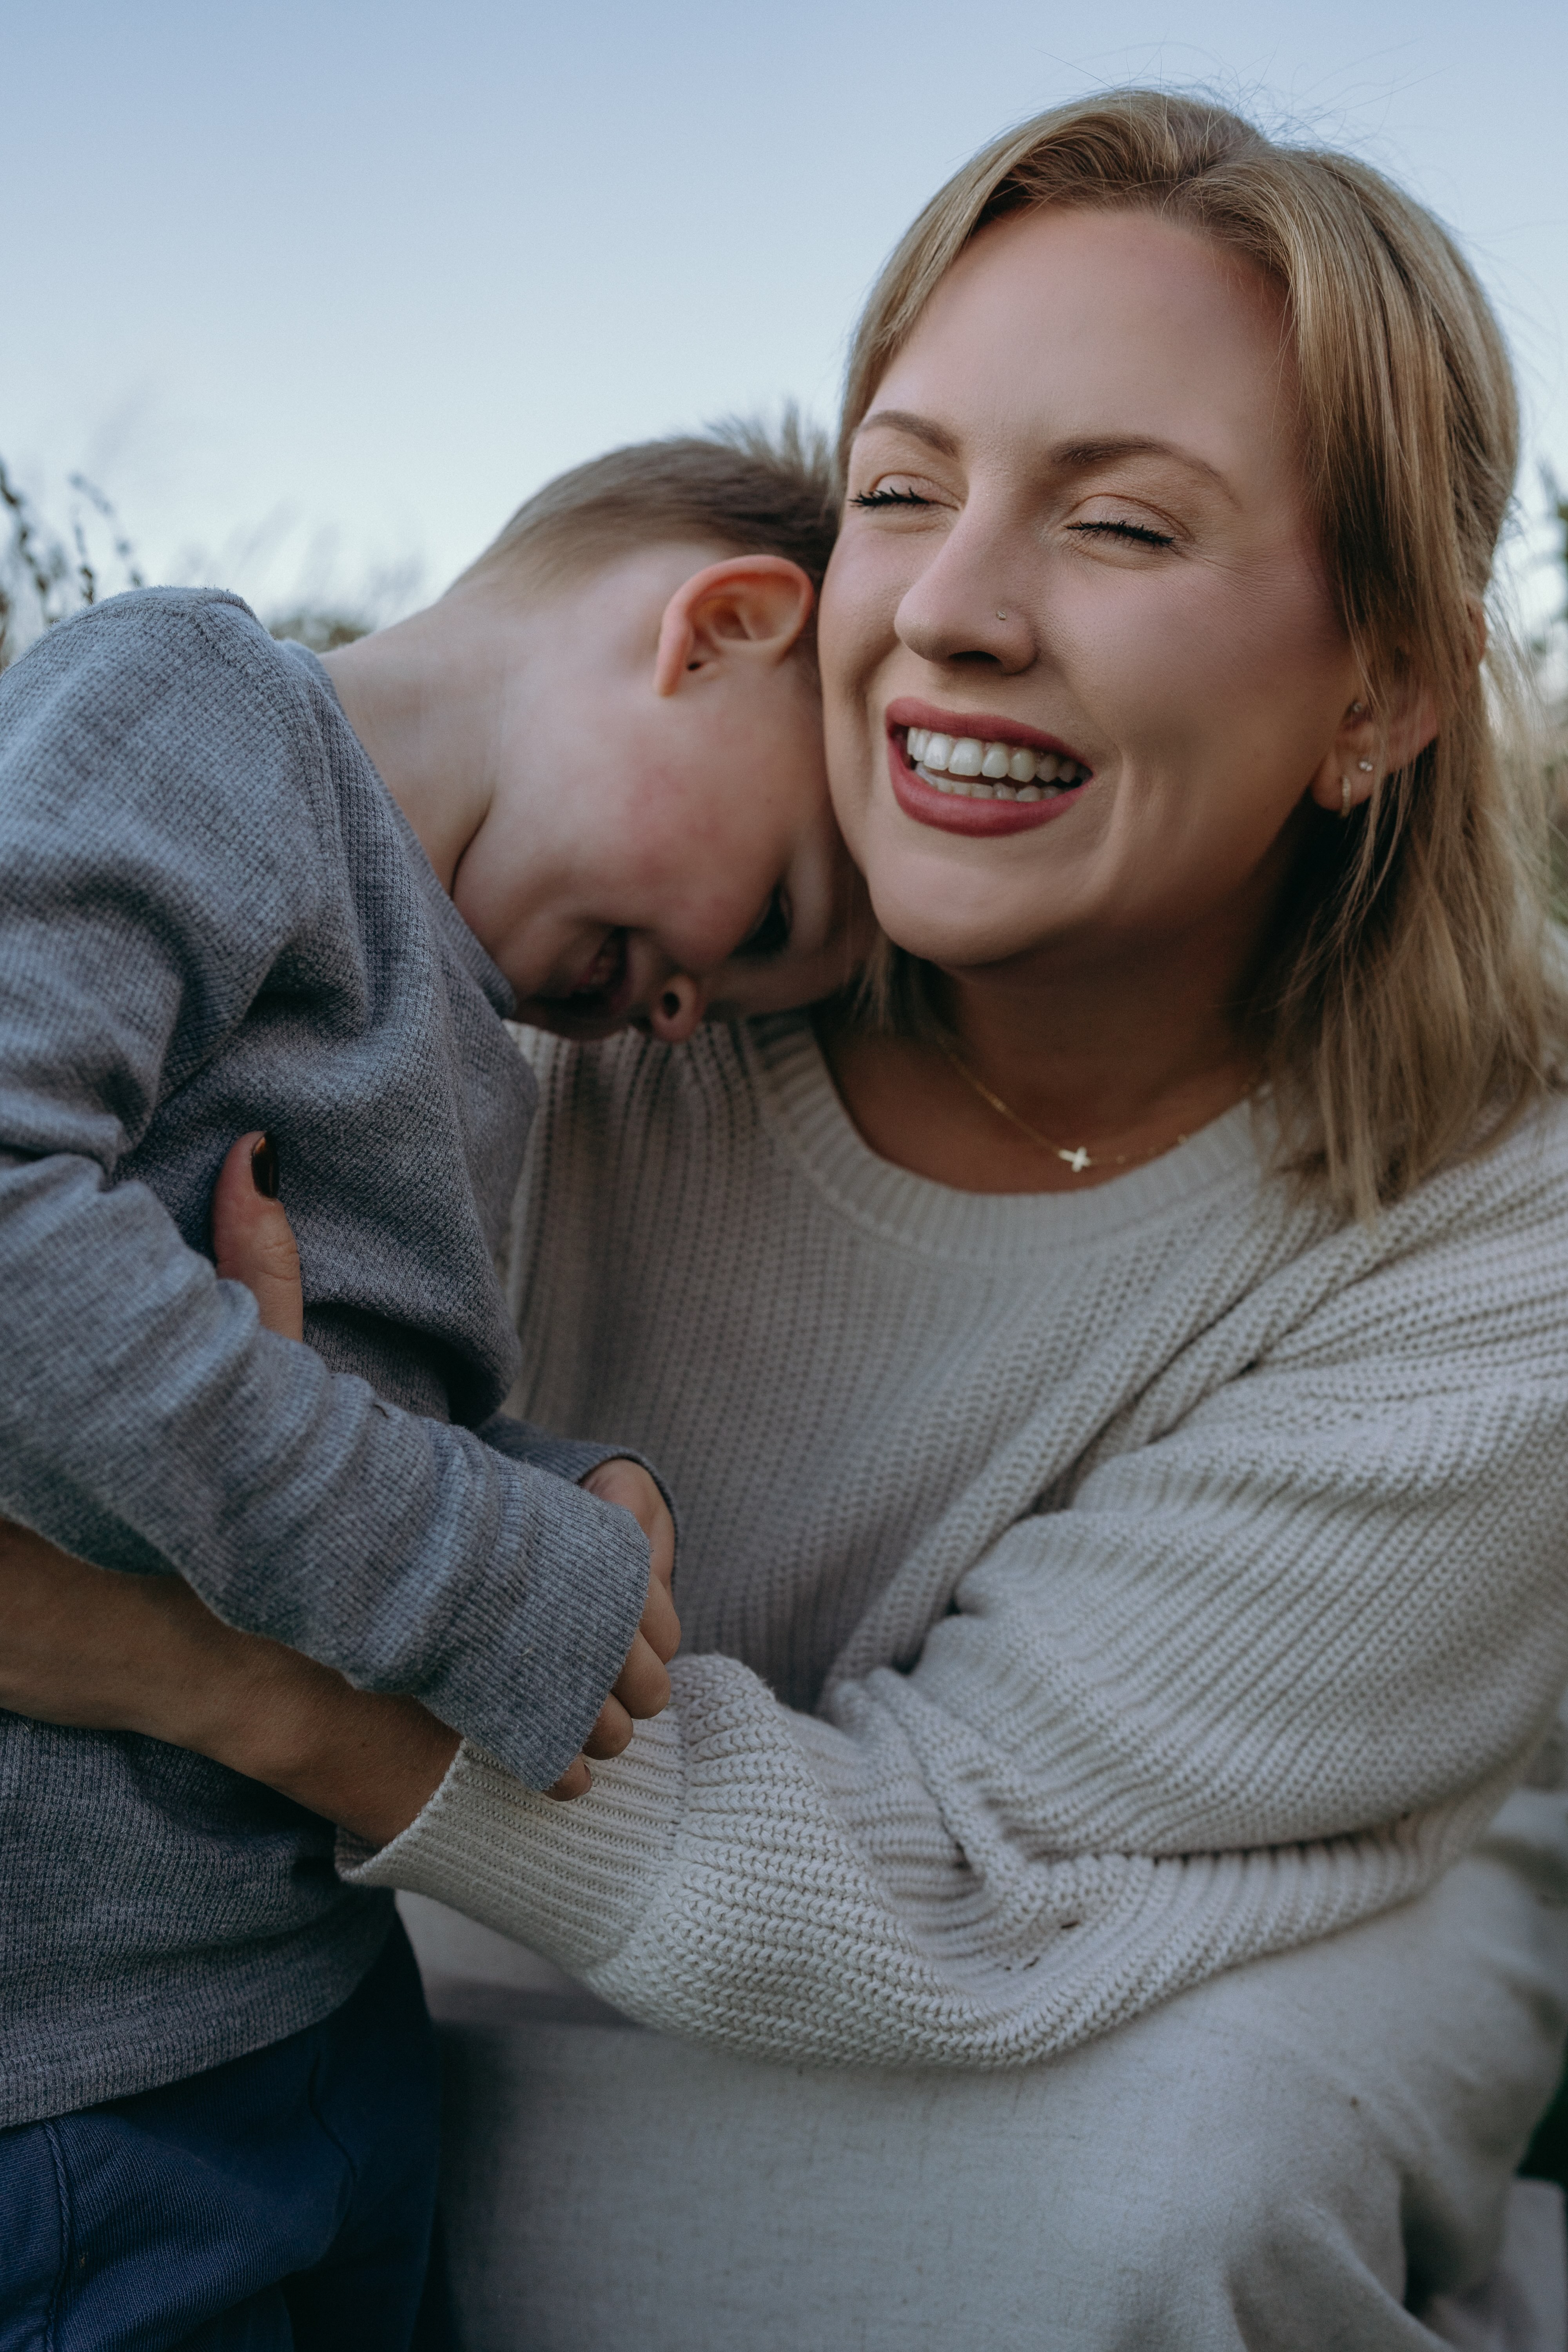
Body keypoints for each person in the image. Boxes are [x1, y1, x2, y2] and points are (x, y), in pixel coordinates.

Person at [6, 90, 1568, 2347]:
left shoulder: (1487, 1252)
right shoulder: (567, 940)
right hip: (480, 1864)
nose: (943, 608)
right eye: (905, 491)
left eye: (1121, 526)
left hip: (1166, 1874)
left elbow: (953, 1883)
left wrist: (184, 1654)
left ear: (1382, 689)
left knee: (1151, 2224)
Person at [0, 421, 867, 2347]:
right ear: (723, 627)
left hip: (310, 2006)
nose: (681, 1010)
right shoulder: (201, 706)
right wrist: (481, 1575)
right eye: (778, 918)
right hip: (71, 2073)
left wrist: (546, 1488)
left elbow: (269, 1408)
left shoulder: (474, 1027)